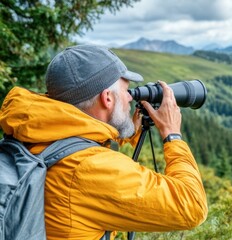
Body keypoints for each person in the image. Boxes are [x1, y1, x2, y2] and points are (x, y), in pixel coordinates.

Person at [0, 45, 208, 239]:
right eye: (126, 92)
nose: (130, 98)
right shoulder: (89, 168)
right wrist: (172, 134)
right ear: (107, 98)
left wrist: (126, 128)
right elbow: (191, 206)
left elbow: (77, 135)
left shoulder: (34, 129)